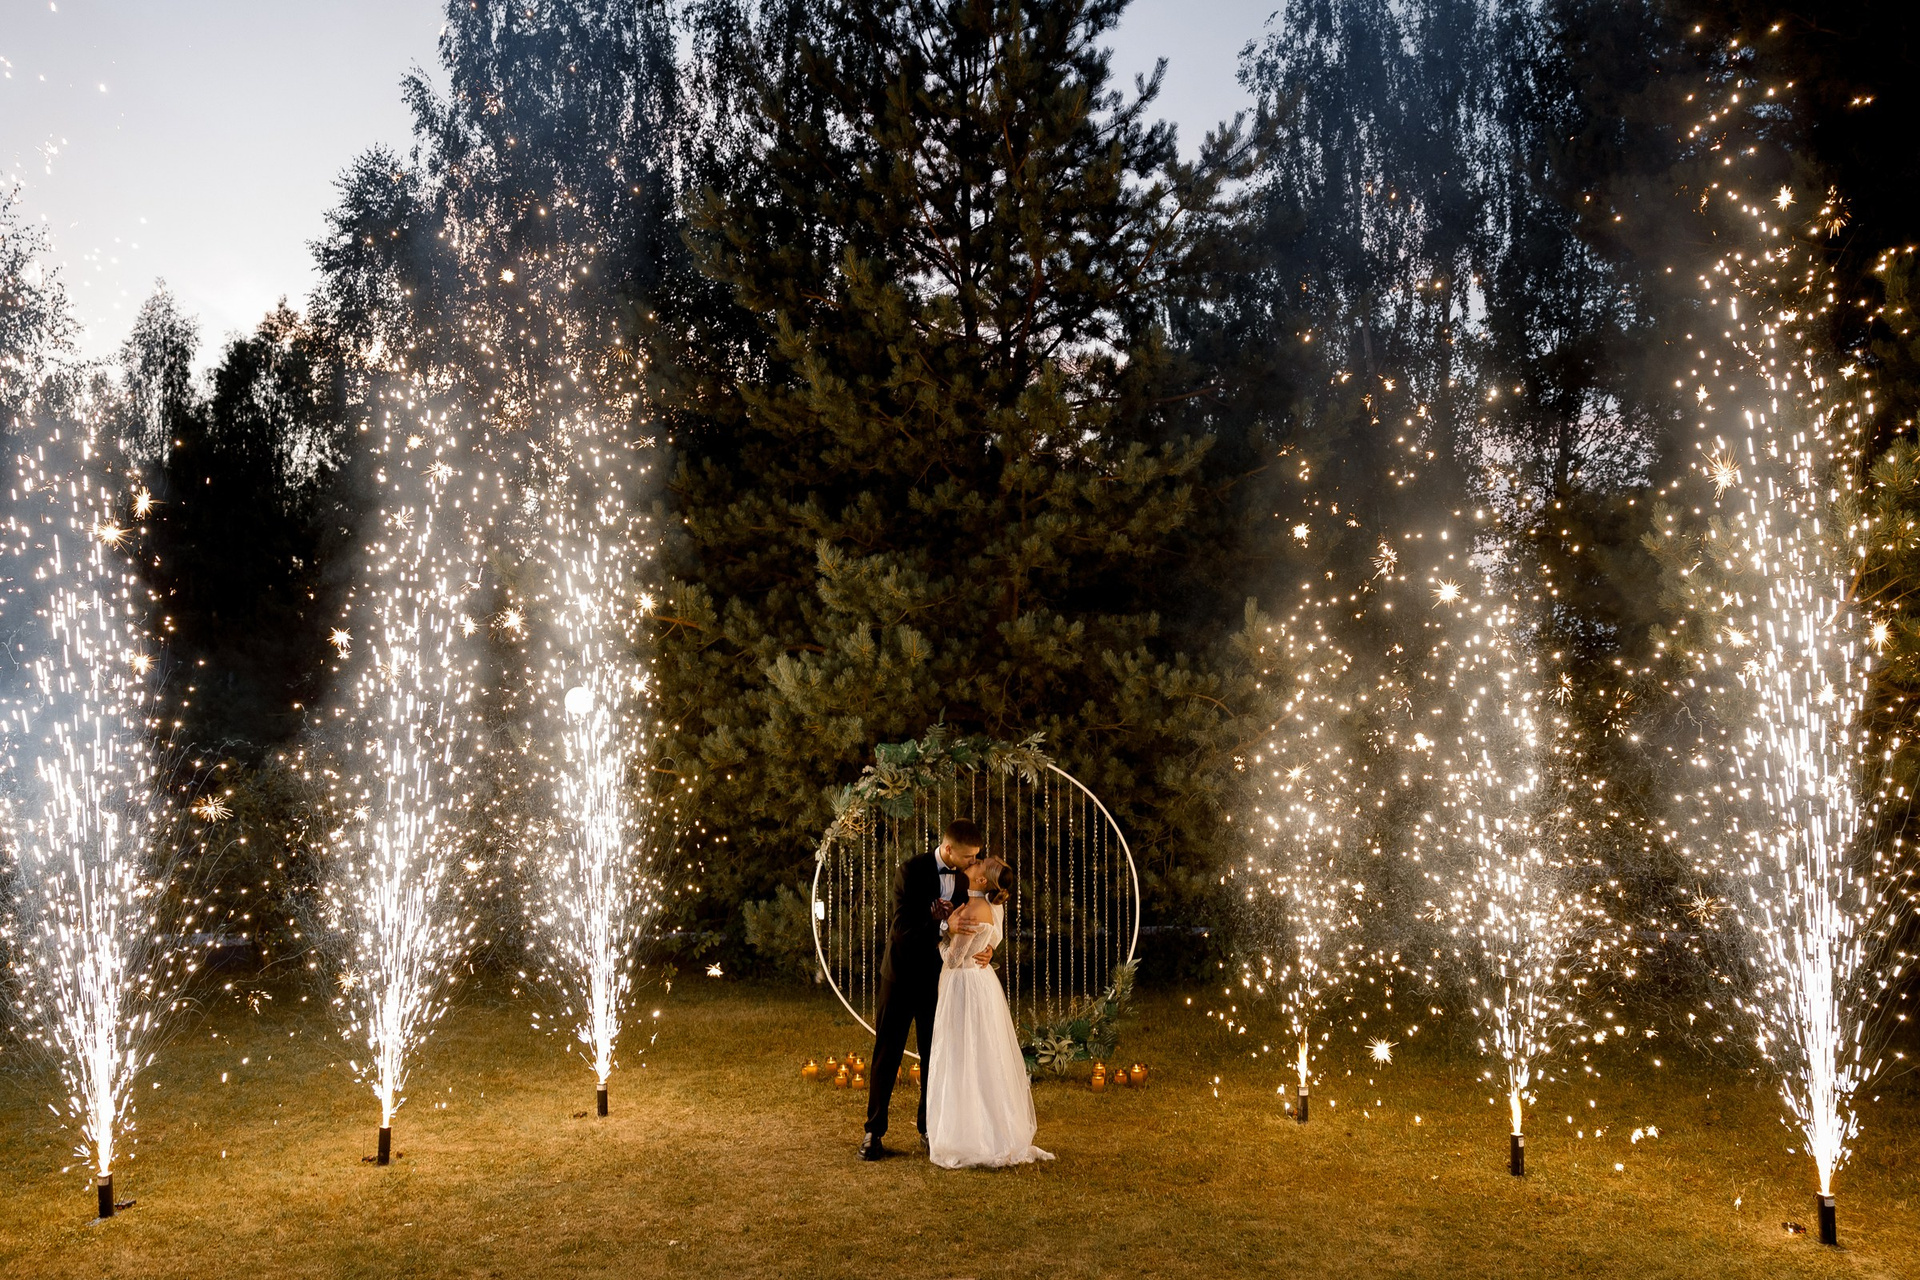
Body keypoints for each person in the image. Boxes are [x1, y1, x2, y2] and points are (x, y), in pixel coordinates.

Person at [860, 818, 993, 1160]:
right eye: (968, 856)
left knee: (936, 1055)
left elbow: (983, 917)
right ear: (948, 849)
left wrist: (989, 948)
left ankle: (930, 1128)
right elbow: (902, 928)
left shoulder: (967, 878)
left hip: (940, 979)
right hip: (900, 975)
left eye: (976, 856)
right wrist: (943, 925)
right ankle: (874, 1132)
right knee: (887, 1052)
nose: (974, 861)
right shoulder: (910, 870)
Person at [925, 855, 1054, 1168]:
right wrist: (984, 945)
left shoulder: (972, 910)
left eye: (979, 864)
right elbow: (990, 935)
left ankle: (970, 1135)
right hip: (981, 983)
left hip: (964, 985)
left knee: (963, 1053)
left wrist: (943, 934)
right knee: (982, 1053)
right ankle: (992, 1128)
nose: (975, 862)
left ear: (982, 881)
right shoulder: (988, 904)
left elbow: (953, 959)